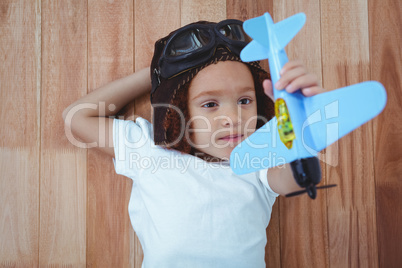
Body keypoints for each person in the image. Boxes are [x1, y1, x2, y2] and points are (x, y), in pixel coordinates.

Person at [63, 19, 323, 267]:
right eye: (210, 104)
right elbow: (77, 118)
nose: (233, 118)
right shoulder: (148, 148)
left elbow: (293, 179)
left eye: (245, 101)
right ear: (179, 112)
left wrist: (303, 122)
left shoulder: (259, 158)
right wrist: (155, 78)